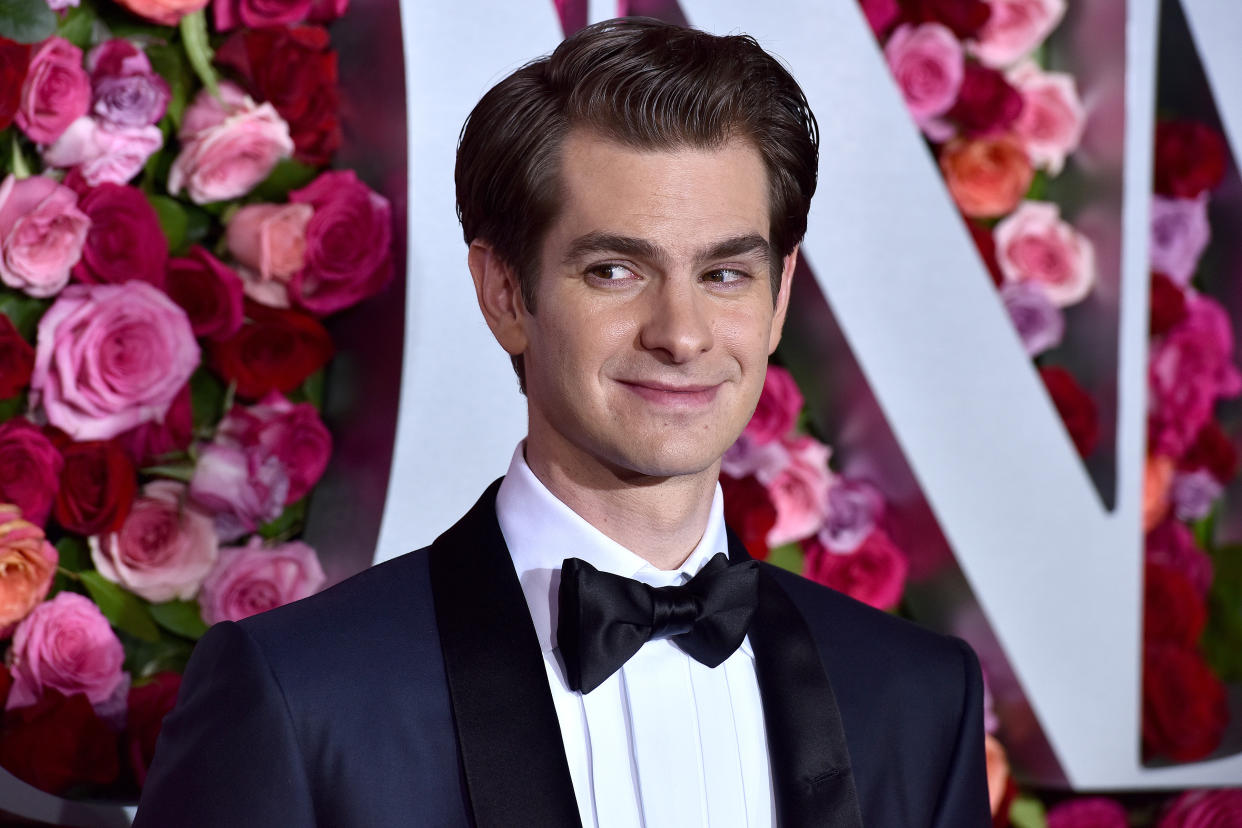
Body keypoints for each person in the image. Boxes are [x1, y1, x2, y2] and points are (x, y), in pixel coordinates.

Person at [135, 18, 990, 828]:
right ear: (506, 294)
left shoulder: (914, 697)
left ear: (779, 299)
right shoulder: (302, 695)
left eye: (726, 274)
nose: (682, 334)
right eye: (616, 270)